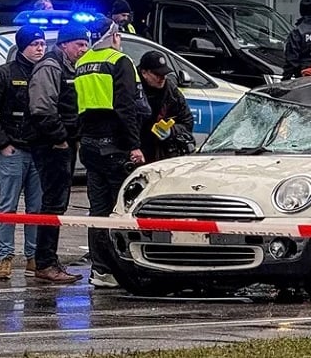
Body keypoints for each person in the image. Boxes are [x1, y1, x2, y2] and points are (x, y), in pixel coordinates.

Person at [74, 16, 148, 288]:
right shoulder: (120, 62)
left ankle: (101, 269)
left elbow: (77, 107)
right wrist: (134, 145)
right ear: (114, 36)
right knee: (123, 210)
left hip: (90, 144)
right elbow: (126, 106)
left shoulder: (82, 63)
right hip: (115, 145)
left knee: (98, 210)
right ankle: (124, 268)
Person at [0, 25, 46, 280]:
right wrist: (2, 143)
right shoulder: (5, 74)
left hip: (39, 151)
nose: (39, 49)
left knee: (37, 209)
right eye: (34, 44)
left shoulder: (47, 72)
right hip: (13, 151)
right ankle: (4, 258)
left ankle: (34, 258)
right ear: (22, 46)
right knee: (8, 207)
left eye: (42, 44)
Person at [28, 22, 91, 284]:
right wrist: (61, 139)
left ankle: (47, 260)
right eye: (79, 44)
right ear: (65, 44)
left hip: (61, 143)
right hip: (51, 145)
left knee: (56, 203)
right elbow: (42, 108)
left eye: (87, 45)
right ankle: (45, 262)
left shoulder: (67, 67)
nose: (83, 50)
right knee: (52, 204)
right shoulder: (51, 66)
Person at [137, 51, 195, 163]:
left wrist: (171, 131)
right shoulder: (133, 88)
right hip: (137, 150)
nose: (162, 78)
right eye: (157, 75)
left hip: (161, 152)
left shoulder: (171, 91)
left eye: (164, 74)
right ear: (144, 73)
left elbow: (187, 122)